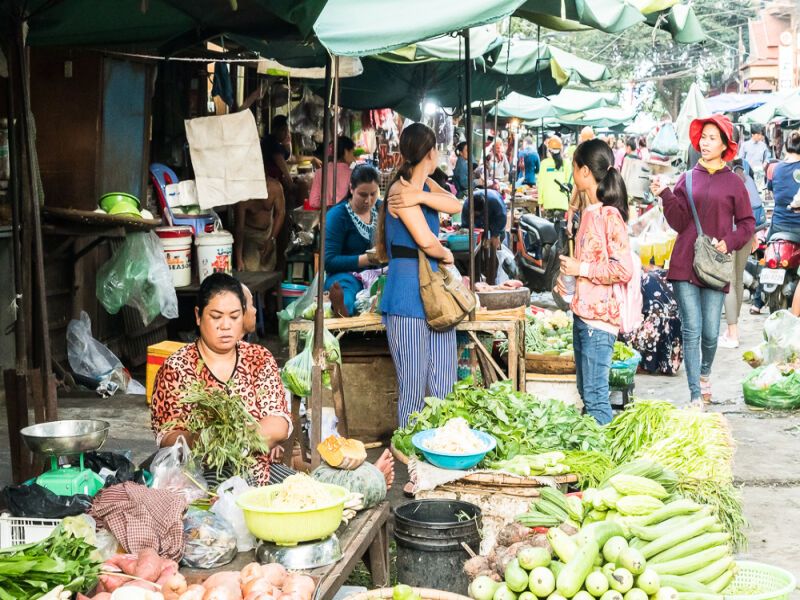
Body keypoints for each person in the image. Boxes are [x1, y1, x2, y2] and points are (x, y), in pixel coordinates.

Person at [650, 115, 755, 405]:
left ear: (724, 145)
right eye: (703, 138)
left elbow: (747, 223)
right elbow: (679, 222)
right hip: (685, 261)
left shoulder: (734, 183)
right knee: (691, 328)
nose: (705, 143)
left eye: (712, 138)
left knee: (710, 332)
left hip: (715, 266)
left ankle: (704, 372)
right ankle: (695, 394)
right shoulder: (687, 178)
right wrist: (665, 194)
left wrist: (729, 242)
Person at [151, 273, 292, 485]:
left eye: (234, 317)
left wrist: (237, 439)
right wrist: (205, 439)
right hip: (198, 478)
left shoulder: (258, 358)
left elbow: (278, 422)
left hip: (258, 470)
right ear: (198, 316)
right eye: (216, 317)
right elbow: (167, 436)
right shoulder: (176, 367)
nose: (226, 326)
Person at [377, 123, 462, 427]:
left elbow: (455, 204)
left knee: (445, 385)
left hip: (434, 296)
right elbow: (426, 241)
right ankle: (408, 451)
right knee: (413, 387)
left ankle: (442, 447)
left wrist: (422, 197)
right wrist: (447, 255)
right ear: (430, 152)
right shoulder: (399, 190)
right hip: (407, 297)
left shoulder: (422, 187)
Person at [556, 139, 633, 425]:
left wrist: (582, 268)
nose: (572, 174)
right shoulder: (588, 213)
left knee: (596, 397)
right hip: (582, 314)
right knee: (586, 393)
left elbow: (623, 269)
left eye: (574, 167)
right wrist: (571, 277)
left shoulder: (609, 215)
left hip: (599, 321)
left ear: (585, 171)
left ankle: (605, 450)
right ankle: (595, 445)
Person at [751, 131, 800, 314]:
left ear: (786, 146)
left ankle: (757, 303)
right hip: (798, 226)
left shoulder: (775, 168)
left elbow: (772, 190)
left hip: (778, 223)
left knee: (768, 258)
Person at [324, 165, 382, 317]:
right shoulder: (337, 216)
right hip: (346, 275)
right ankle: (341, 308)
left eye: (373, 194)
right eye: (363, 194)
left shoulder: (382, 209)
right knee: (347, 290)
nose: (368, 200)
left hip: (379, 274)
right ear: (351, 188)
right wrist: (367, 259)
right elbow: (329, 261)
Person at [719, 160, 763, 348]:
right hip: (746, 233)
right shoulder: (744, 179)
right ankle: (733, 329)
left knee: (729, 282)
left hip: (729, 235)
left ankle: (732, 333)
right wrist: (754, 234)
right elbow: (753, 209)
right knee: (737, 280)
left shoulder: (722, 178)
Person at [235, 177, 286, 273]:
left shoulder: (275, 187)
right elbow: (239, 228)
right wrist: (239, 258)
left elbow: (280, 213)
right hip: (250, 235)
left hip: (269, 232)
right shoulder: (243, 194)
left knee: (269, 269)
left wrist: (272, 239)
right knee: (251, 269)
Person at [309, 136, 356, 209]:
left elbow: (313, 202)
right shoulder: (352, 174)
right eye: (352, 153)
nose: (354, 158)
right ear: (346, 152)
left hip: (327, 215)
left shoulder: (320, 172)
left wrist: (328, 205)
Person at [538, 137, 572, 214]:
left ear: (548, 150)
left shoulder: (544, 163)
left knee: (547, 222)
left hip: (548, 203)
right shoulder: (567, 163)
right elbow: (569, 184)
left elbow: (541, 184)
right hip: (563, 203)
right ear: (561, 150)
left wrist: (540, 201)